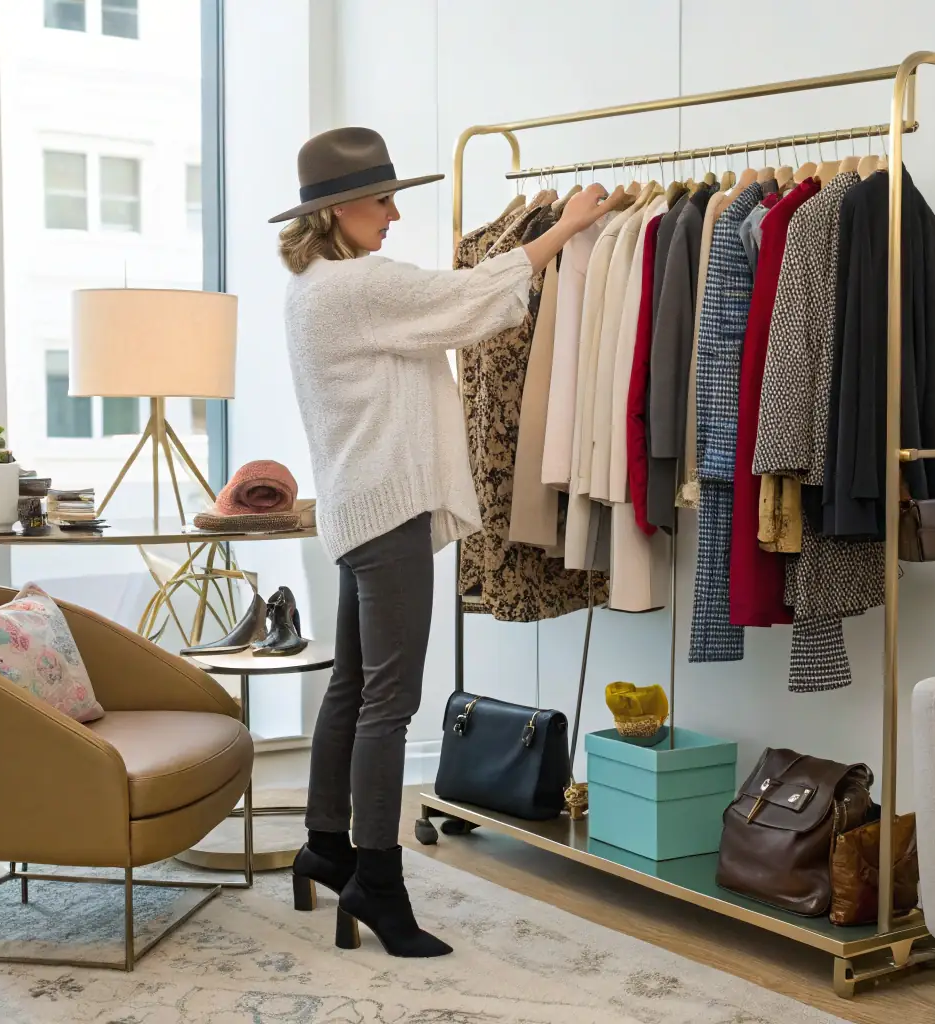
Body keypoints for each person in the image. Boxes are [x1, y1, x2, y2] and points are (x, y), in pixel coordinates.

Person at [270, 126, 621, 958]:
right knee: (389, 705)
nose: (394, 215)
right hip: (386, 513)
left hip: (356, 511)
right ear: (340, 209)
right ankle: (378, 883)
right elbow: (468, 299)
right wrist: (565, 229)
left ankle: (327, 846)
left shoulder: (311, 287)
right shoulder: (360, 287)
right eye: (384, 200)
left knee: (353, 692)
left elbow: (446, 310)